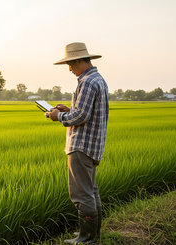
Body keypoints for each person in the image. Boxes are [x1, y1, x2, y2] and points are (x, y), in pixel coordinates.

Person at [47, 42, 109, 244]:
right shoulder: (97, 79)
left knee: (81, 194)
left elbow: (81, 115)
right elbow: (83, 111)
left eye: (71, 64)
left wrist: (58, 117)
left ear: (80, 61)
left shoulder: (88, 82)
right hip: (93, 146)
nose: (69, 68)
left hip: (81, 146)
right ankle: (92, 234)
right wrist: (68, 110)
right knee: (91, 191)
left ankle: (86, 238)